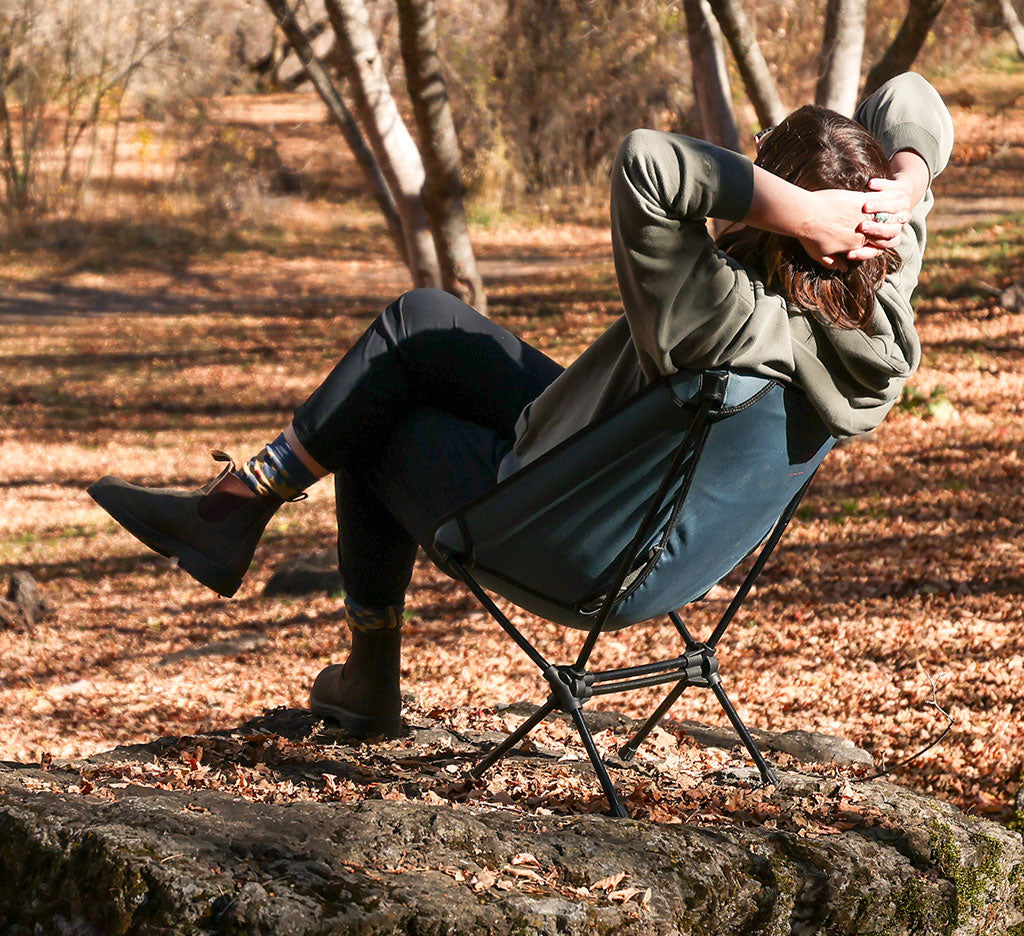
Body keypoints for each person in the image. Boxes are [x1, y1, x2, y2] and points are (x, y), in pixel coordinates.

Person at [89, 72, 953, 739]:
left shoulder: (718, 312)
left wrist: (801, 208)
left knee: (376, 422)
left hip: (571, 528)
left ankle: (363, 666)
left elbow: (650, 163)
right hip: (655, 520)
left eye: (763, 169)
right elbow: (909, 97)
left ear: (793, 222)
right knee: (422, 322)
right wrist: (905, 188)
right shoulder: (879, 306)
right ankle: (239, 503)